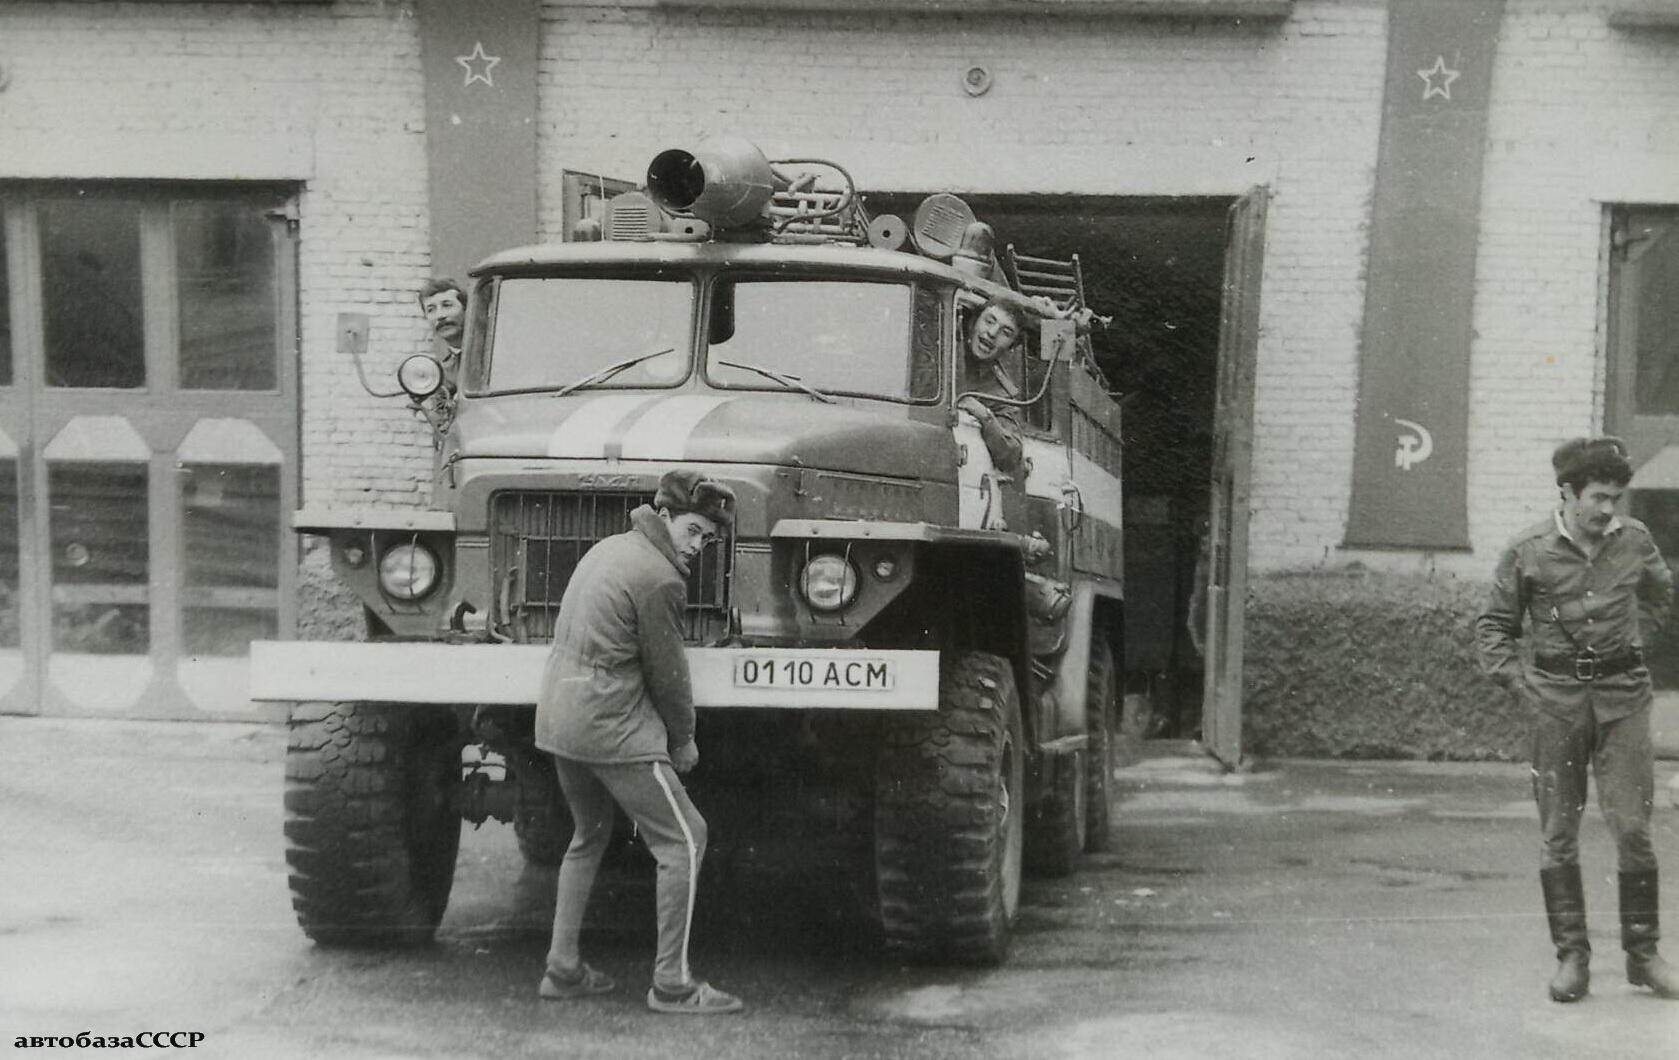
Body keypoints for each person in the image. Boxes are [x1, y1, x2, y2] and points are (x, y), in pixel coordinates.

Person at [1475, 436, 1679, 1003]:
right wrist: (1522, 686)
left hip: (1623, 700)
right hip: (1556, 705)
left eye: (1615, 498)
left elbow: (1660, 595)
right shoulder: (1528, 551)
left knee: (1634, 831)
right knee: (1558, 835)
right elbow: (1494, 627)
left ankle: (1644, 956)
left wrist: (1636, 642)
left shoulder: (1635, 541)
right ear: (1567, 493)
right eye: (1598, 498)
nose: (1608, 509)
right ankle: (1572, 957)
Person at [534, 469, 744, 1015]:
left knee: (588, 835)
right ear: (665, 516)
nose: (697, 546)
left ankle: (562, 969)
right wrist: (684, 739)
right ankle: (673, 984)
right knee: (686, 839)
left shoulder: (609, 549)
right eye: (693, 531)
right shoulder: (660, 578)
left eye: (707, 539)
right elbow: (668, 674)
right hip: (610, 725)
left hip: (560, 718)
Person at [956, 297, 1026, 476]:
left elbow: (1012, 455)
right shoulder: (943, 346)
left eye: (1006, 332)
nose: (992, 333)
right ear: (973, 322)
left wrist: (985, 416)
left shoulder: (1001, 392)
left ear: (1011, 346)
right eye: (989, 321)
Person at [417, 277, 466, 388]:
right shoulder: (440, 373)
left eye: (447, 305)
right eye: (431, 310)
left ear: (466, 309)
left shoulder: (494, 355)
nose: (440, 315)